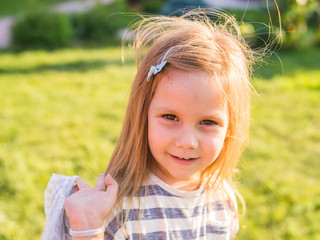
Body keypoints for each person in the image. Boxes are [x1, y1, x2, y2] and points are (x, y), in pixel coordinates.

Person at [42, 9, 254, 240]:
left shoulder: (222, 200)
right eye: (171, 117)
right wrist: (87, 227)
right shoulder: (119, 208)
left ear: (230, 127)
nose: (187, 142)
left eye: (208, 122)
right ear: (143, 114)